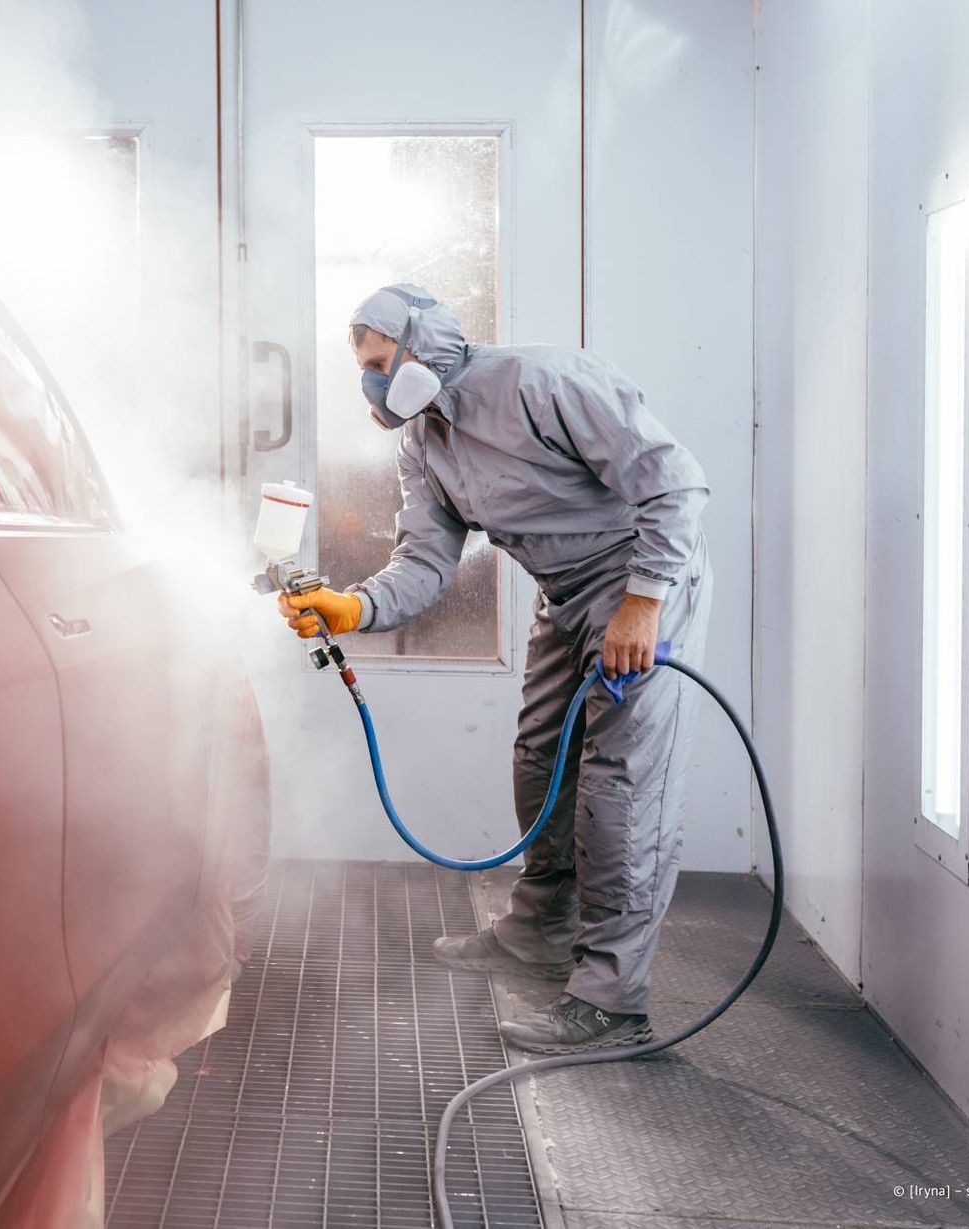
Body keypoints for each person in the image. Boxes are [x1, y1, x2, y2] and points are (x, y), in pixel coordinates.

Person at [278, 284, 713, 1054]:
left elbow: (675, 483)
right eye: (364, 371)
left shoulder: (544, 381)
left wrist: (643, 603)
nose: (374, 384)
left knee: (621, 788)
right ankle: (541, 928)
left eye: (381, 362)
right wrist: (354, 607)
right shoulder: (425, 445)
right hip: (565, 591)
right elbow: (424, 561)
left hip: (643, 582)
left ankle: (613, 1002)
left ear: (425, 341)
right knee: (540, 758)